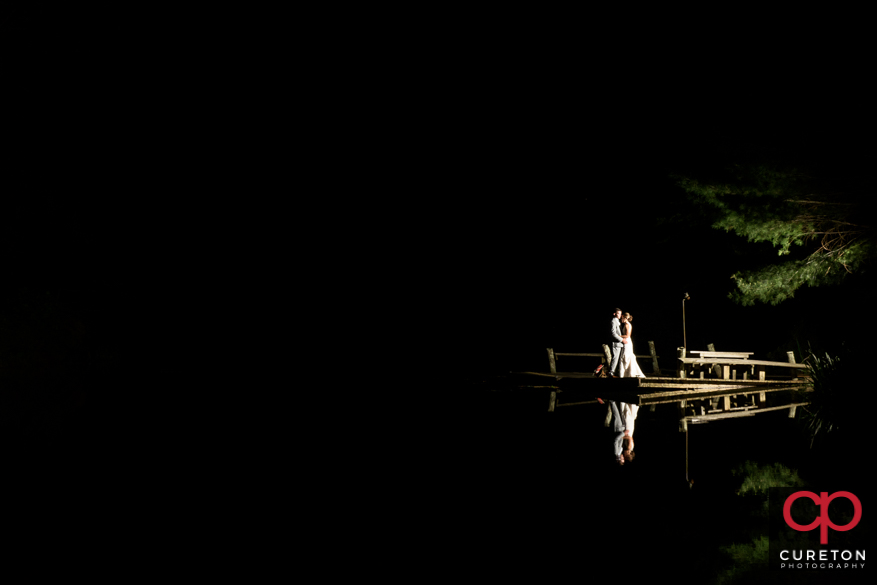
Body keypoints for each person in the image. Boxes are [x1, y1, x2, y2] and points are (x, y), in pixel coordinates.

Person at [618, 312, 645, 378]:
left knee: (626, 356)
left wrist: (619, 336)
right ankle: (624, 373)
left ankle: (628, 373)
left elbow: (628, 335)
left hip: (627, 342)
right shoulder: (625, 324)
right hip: (626, 341)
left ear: (625, 318)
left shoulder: (627, 324)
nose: (621, 319)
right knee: (624, 356)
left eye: (622, 318)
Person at [608, 308, 628, 377]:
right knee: (615, 358)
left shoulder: (618, 321)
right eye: (618, 313)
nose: (620, 315)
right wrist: (622, 339)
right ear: (614, 314)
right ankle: (611, 372)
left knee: (619, 359)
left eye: (620, 313)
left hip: (620, 344)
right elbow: (613, 333)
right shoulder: (613, 321)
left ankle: (616, 372)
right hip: (616, 343)